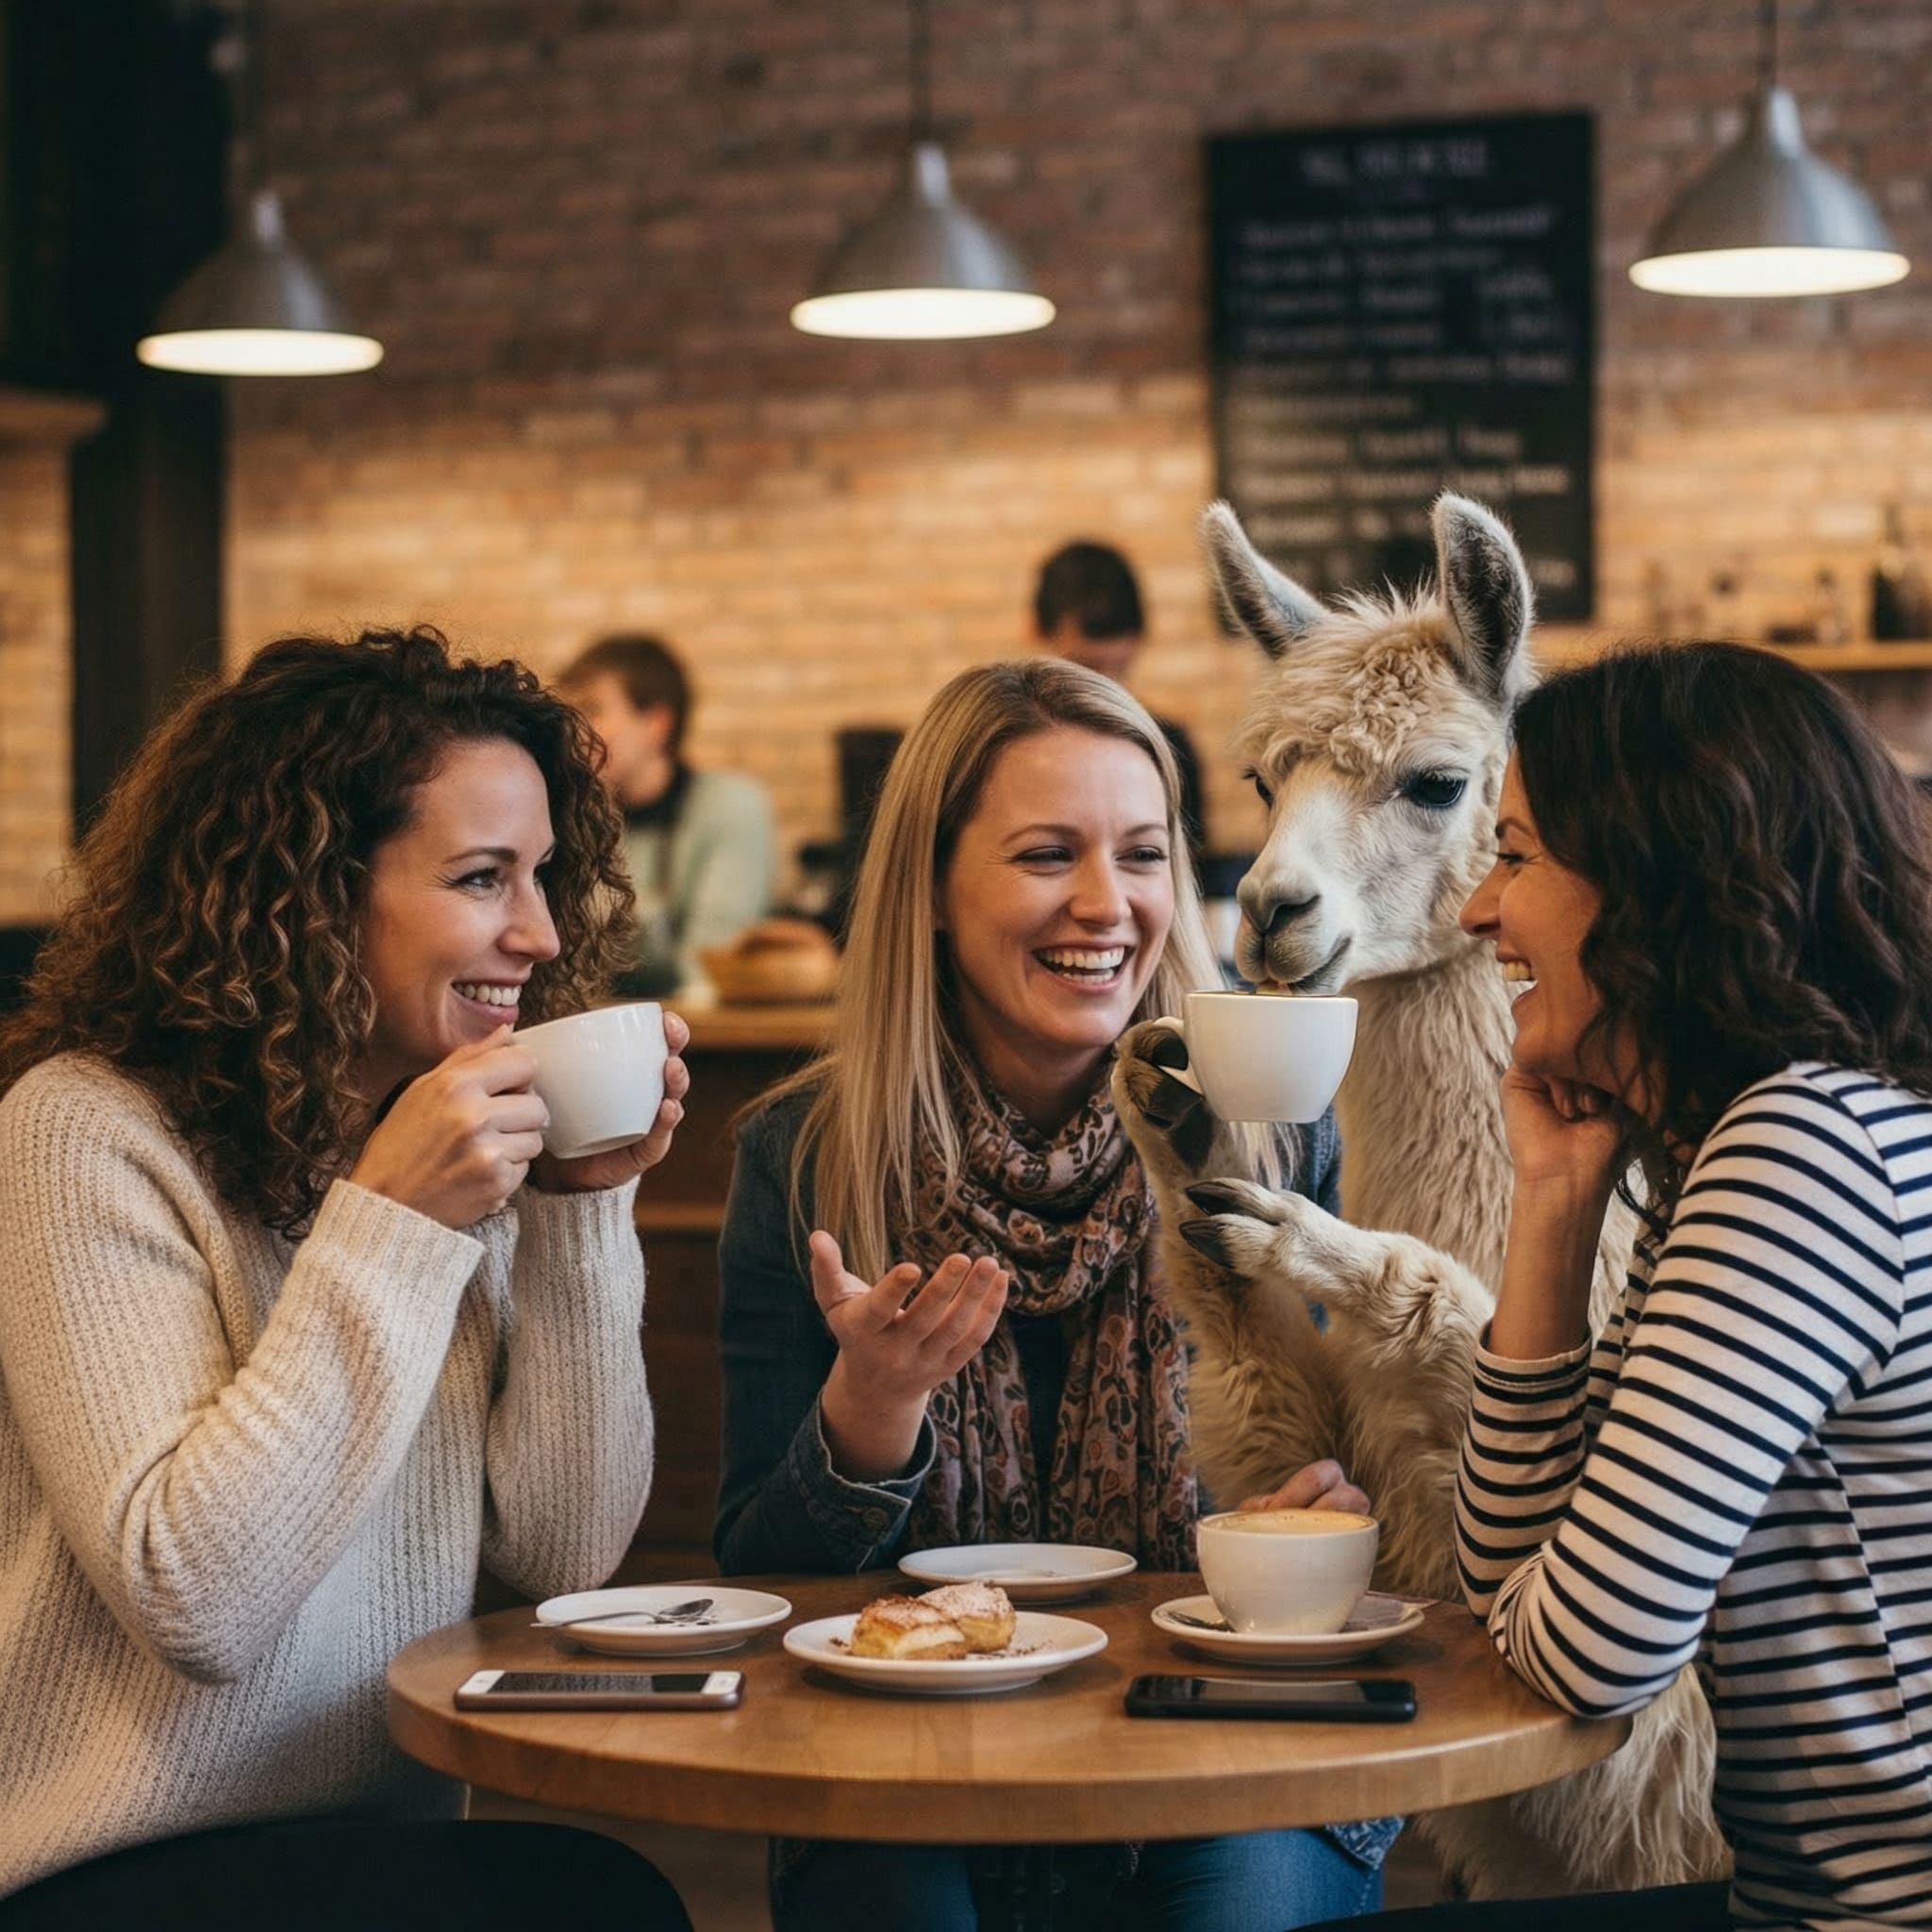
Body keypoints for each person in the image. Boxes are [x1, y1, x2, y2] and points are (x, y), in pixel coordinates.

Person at [0, 627, 691, 1907]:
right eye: (482, 878)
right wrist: (391, 1219)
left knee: (606, 1897)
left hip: (370, 1837)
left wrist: (580, 1211)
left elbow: (564, 1553)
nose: (541, 933)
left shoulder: (451, 1138)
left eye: (543, 875)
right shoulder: (85, 1130)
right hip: (102, 1864)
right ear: (312, 893)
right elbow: (196, 1601)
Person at [715, 658, 1395, 1930]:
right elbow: (762, 1580)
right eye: (1044, 855)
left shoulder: (1278, 1134)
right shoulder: (805, 1155)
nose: (1105, 903)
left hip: (1231, 1727)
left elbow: (1373, 1493)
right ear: (929, 889)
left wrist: (1318, 1518)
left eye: (1142, 853)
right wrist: (870, 1414)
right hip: (901, 1747)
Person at [1439, 641, 1932, 1930]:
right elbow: (1506, 1580)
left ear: (1658, 877)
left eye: (1515, 855)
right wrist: (1554, 1202)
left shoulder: (1800, 1152)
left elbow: (1588, 1652)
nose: (1476, 910)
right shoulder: (1774, 1137)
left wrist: (1553, 1601)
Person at [558, 632, 776, 994]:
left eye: (592, 710)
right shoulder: (576, 819)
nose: (575, 731)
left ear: (655, 723)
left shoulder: (730, 806)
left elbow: (709, 963)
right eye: (571, 713)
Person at [1032, 539, 1207, 860]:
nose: (1104, 689)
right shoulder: (1019, 752)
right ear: (1038, 632)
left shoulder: (1169, 745)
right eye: (1085, 668)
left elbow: (1189, 865)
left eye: (1117, 670)